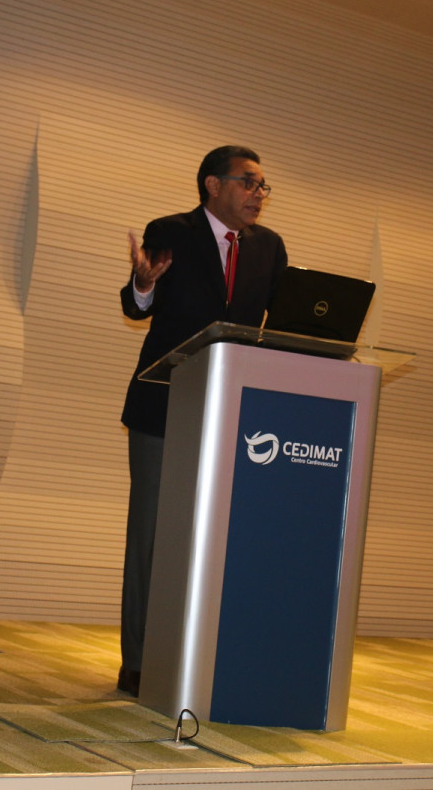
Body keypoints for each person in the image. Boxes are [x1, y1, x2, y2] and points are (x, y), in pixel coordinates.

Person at [117, 145, 289, 696]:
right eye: (249, 183)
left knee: (218, 538)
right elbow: (138, 304)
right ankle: (139, 664)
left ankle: (207, 655)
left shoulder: (269, 248)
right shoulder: (172, 229)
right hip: (164, 402)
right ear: (213, 186)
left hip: (234, 410)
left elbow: (281, 323)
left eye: (264, 186)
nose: (259, 195)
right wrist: (143, 285)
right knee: (151, 536)